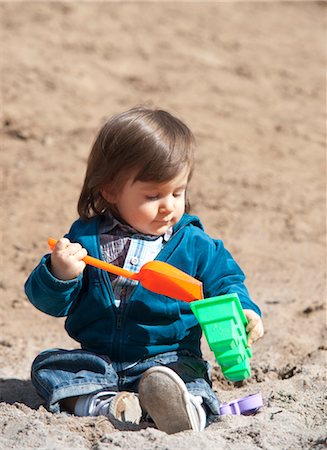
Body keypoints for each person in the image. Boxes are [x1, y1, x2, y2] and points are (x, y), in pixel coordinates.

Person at [25, 106, 264, 434]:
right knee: (50, 367)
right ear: (110, 190)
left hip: (168, 358)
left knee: (191, 378)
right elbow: (48, 302)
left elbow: (226, 282)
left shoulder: (194, 244)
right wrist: (60, 272)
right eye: (153, 195)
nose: (169, 206)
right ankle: (113, 406)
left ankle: (186, 409)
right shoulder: (85, 239)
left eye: (178, 192)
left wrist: (245, 311)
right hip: (100, 360)